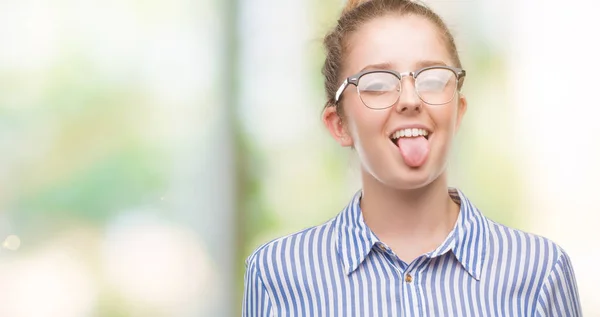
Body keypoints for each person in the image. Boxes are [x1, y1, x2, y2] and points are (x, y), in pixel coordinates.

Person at [242, 0, 582, 316]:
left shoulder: (540, 270)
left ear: (458, 111)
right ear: (339, 124)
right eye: (376, 83)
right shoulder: (277, 275)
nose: (410, 99)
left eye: (432, 78)